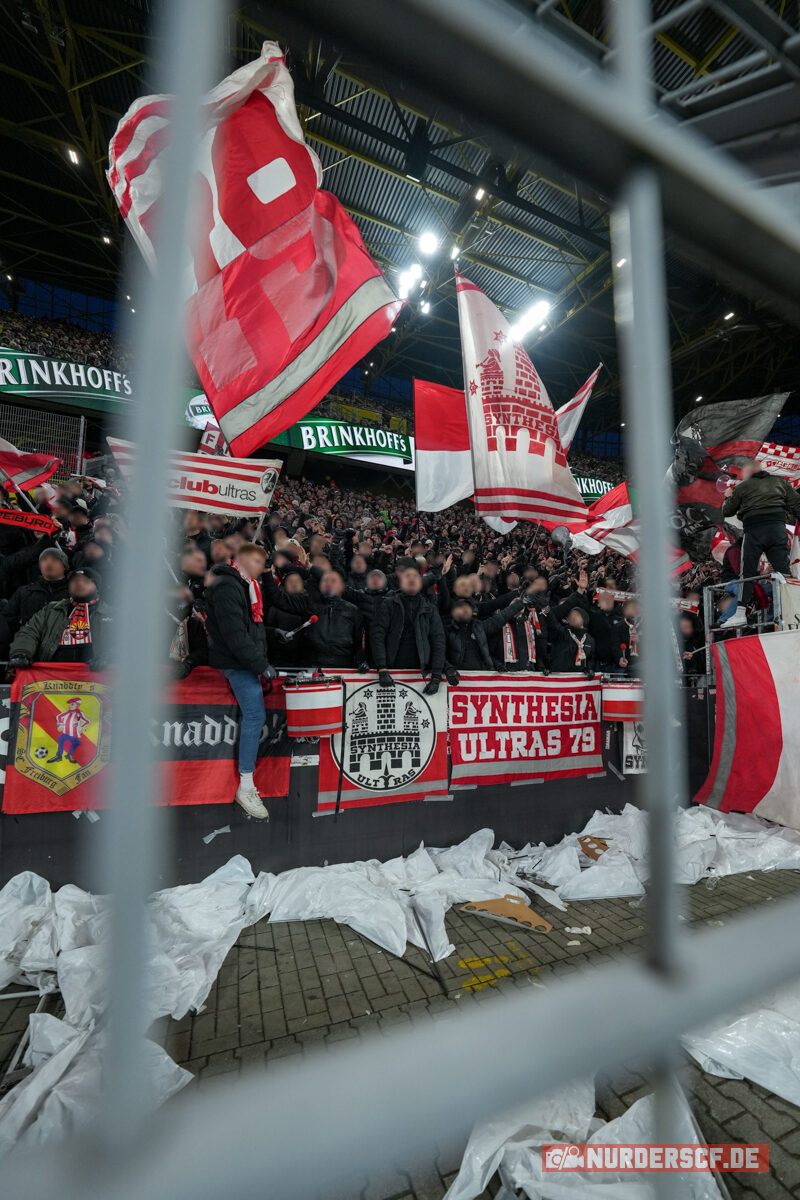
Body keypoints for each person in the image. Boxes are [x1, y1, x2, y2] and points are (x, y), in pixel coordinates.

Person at [205, 542, 275, 820]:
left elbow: (249, 628)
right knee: (255, 716)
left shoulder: (246, 586)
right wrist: (260, 664)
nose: (262, 568)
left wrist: (272, 636)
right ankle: (246, 785)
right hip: (236, 663)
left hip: (242, 661)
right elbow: (234, 633)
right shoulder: (228, 585)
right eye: (258, 562)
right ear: (243, 560)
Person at [722, 459, 800, 625]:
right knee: (783, 572)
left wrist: (727, 496)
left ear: (749, 472)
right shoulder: (781, 482)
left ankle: (740, 614)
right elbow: (797, 506)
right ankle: (791, 609)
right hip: (777, 529)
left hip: (754, 531)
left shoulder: (742, 486)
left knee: (747, 572)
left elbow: (727, 511)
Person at [8, 568, 112, 667]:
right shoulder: (50, 610)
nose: (79, 583)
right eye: (74, 581)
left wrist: (109, 658)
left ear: (97, 588)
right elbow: (29, 631)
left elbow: (120, 643)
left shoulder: (113, 615)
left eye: (86, 581)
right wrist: (21, 653)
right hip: (54, 676)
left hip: (94, 676)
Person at [371, 566, 445, 693]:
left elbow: (438, 640)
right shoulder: (388, 605)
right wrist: (382, 667)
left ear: (420, 583)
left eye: (415, 576)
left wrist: (436, 676)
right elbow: (378, 636)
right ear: (401, 583)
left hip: (421, 672)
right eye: (407, 576)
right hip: (391, 669)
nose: (411, 579)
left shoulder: (430, 609)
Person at [444, 593, 525, 675]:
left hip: (481, 677)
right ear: (453, 612)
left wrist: (521, 603)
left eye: (467, 607)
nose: (465, 610)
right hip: (459, 679)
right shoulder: (448, 630)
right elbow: (439, 653)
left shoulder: (479, 627)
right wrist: (448, 668)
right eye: (461, 607)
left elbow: (501, 618)